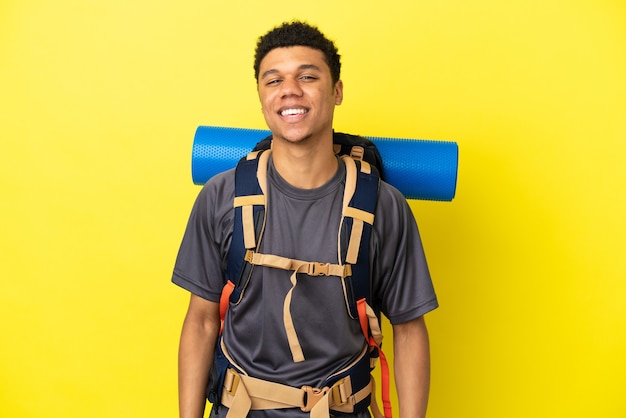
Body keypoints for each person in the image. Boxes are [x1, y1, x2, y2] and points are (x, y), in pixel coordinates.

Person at [172, 21, 438, 418]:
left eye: (308, 76)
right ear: (262, 97)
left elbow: (410, 331)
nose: (290, 90)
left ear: (337, 91)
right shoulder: (221, 195)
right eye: (273, 80)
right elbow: (201, 322)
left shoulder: (384, 205)